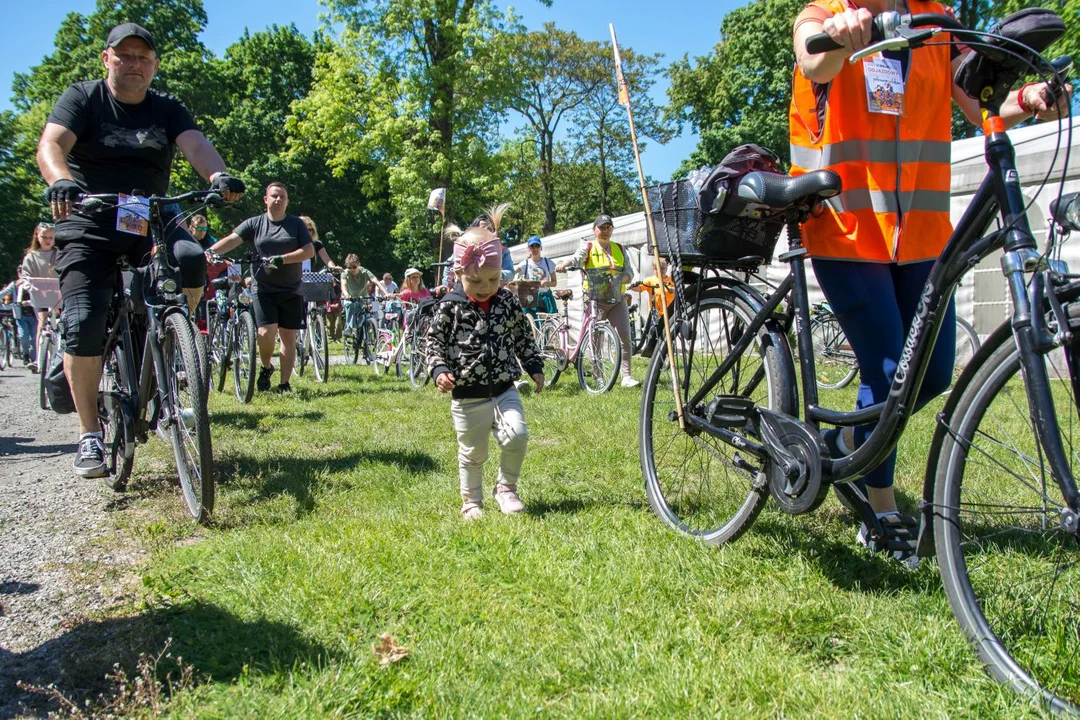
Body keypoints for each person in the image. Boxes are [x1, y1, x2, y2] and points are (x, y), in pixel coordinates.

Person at [789, 0, 1071, 556]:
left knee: (935, 370)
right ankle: (880, 505)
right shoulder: (827, 11)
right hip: (847, 224)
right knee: (890, 369)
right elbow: (811, 57)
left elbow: (977, 98)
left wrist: (1030, 99)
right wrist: (840, 36)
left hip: (918, 233)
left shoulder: (936, 22)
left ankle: (844, 441)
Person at [37, 22, 245, 478]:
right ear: (107, 58)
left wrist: (217, 178)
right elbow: (51, 144)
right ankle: (89, 434)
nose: (134, 64)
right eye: (124, 55)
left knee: (191, 259)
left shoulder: (166, 107)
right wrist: (61, 180)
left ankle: (176, 340)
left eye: (143, 58)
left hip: (149, 215)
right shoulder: (84, 98)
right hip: (90, 217)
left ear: (154, 66)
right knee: (85, 319)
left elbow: (197, 145)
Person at [427, 203, 545, 521]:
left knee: (517, 435)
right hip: (467, 394)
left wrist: (534, 366)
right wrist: (439, 370)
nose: (486, 288)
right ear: (459, 274)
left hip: (505, 387)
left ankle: (506, 488)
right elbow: (434, 343)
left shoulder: (506, 300)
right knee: (473, 452)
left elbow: (522, 336)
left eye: (493, 280)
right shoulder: (450, 307)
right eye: (476, 281)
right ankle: (472, 501)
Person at [209, 182, 312, 393]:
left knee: (288, 337)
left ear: (287, 201)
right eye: (274, 196)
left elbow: (308, 251)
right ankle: (266, 367)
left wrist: (282, 259)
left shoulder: (296, 225)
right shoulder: (255, 224)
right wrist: (208, 252)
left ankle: (284, 384)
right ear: (265, 199)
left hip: (291, 288)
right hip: (263, 287)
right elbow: (231, 240)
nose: (278, 200)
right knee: (266, 332)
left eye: (282, 197)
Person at [556, 214, 639, 388]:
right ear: (594, 230)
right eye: (601, 228)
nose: (605, 231)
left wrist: (619, 279)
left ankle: (626, 377)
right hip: (594, 299)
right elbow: (576, 258)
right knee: (595, 339)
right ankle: (598, 376)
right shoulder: (587, 247)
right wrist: (564, 263)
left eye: (608, 227)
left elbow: (629, 274)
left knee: (624, 335)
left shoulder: (620, 249)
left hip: (616, 299)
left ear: (612, 230)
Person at [21, 222, 59, 370]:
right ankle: (39, 359)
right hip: (39, 296)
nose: (48, 240)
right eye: (44, 237)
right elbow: (25, 277)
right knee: (42, 323)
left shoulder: (59, 254)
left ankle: (58, 355)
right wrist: (32, 287)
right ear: (37, 236)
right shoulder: (32, 256)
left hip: (58, 296)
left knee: (59, 324)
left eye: (51, 237)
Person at [340, 253, 380, 338]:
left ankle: (368, 332)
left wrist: (387, 294)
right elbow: (343, 285)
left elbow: (376, 281)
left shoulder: (364, 272)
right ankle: (349, 327)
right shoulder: (345, 273)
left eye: (354, 267)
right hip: (350, 299)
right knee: (351, 304)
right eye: (349, 267)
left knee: (369, 312)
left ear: (359, 264)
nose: (352, 269)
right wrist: (346, 294)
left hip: (362, 298)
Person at [515, 235, 558, 314]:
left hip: (546, 297)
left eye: (537, 246)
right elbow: (513, 272)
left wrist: (546, 283)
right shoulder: (525, 264)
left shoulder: (548, 262)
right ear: (529, 248)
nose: (535, 249)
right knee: (534, 323)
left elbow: (554, 282)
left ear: (541, 247)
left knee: (550, 322)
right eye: (532, 246)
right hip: (531, 298)